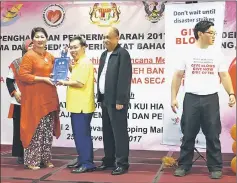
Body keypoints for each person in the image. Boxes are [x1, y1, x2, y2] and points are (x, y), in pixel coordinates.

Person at [171, 20, 236, 179]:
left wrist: (231, 94)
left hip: (211, 99)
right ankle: (184, 165)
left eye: (214, 33)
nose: (213, 36)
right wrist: (173, 97)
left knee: (213, 134)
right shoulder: (186, 53)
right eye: (211, 33)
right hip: (191, 99)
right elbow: (178, 76)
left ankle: (215, 167)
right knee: (188, 134)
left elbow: (224, 75)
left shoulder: (217, 54)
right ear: (200, 34)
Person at [18, 27, 61, 170]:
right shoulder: (29, 56)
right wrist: (42, 78)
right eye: (37, 37)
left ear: (46, 39)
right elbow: (22, 75)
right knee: (35, 130)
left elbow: (59, 70)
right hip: (35, 99)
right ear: (33, 40)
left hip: (49, 98)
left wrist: (68, 64)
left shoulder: (50, 56)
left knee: (47, 131)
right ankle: (32, 161)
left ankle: (45, 159)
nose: (40, 39)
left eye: (42, 36)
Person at [96, 27, 132, 175]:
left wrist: (120, 100)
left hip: (117, 101)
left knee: (119, 133)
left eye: (109, 37)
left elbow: (124, 79)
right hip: (105, 99)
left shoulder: (122, 54)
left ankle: (122, 163)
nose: (106, 40)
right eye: (104, 37)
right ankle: (109, 160)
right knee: (107, 132)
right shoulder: (104, 54)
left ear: (117, 38)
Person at [57, 36, 96, 173]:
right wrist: (68, 67)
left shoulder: (84, 62)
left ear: (84, 47)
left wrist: (63, 82)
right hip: (77, 105)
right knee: (79, 135)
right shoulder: (78, 62)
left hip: (82, 106)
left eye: (76, 47)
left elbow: (80, 83)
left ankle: (87, 163)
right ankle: (82, 159)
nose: (72, 50)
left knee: (82, 135)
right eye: (71, 47)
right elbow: (76, 76)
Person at [6, 39, 33, 164]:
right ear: (24, 48)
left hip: (35, 101)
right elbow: (9, 80)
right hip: (19, 101)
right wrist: (15, 93)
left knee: (34, 128)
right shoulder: (16, 63)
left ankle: (34, 154)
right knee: (19, 129)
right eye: (30, 45)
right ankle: (20, 154)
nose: (33, 47)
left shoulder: (39, 62)